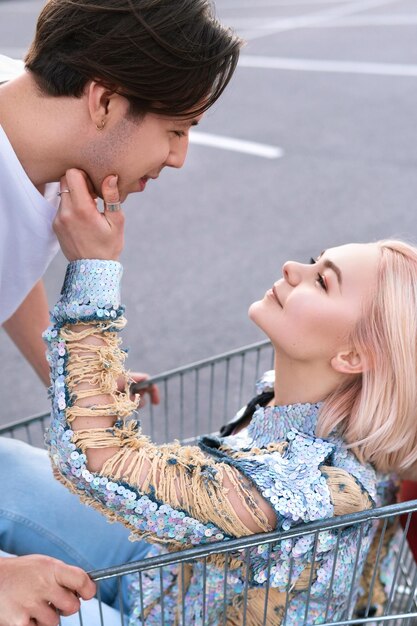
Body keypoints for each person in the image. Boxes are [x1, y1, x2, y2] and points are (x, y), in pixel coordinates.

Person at [44, 173, 417, 624]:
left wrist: (93, 266)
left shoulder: (306, 490)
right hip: (160, 575)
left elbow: (97, 460)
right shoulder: (289, 404)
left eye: (322, 282)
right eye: (313, 262)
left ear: (353, 355)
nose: (291, 268)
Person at [0, 0, 241, 622]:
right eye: (176, 129)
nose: (180, 157)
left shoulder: (36, 137)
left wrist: (64, 373)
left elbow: (8, 258)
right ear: (103, 102)